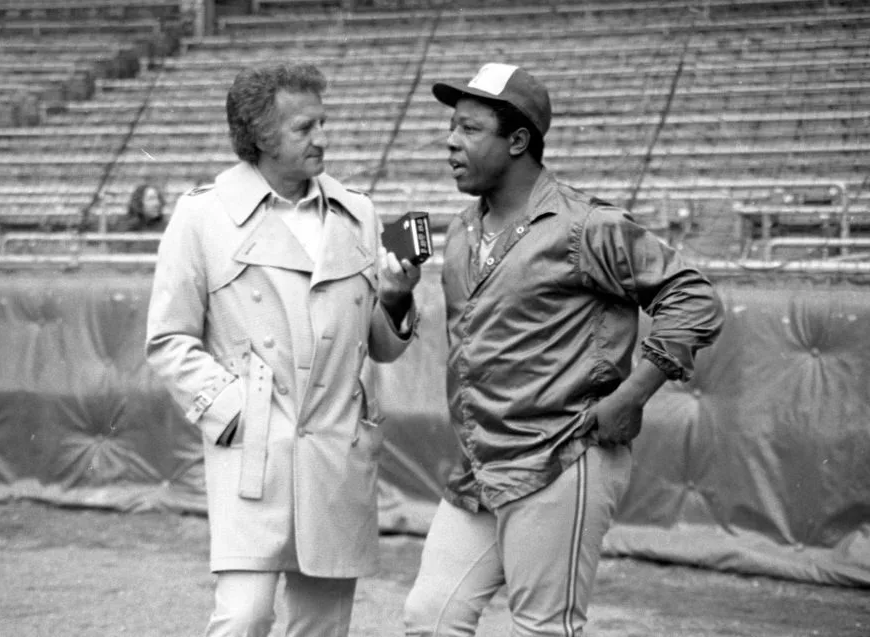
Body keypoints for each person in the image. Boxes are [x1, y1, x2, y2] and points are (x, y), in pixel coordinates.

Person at [402, 63, 725, 636]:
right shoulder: (459, 231)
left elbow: (693, 296)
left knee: (542, 628)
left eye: (471, 129)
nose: (450, 140)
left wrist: (632, 394)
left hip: (561, 453)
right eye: (452, 126)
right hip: (481, 462)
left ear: (518, 140)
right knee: (432, 615)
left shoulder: (585, 225)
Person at [145, 63, 422, 637]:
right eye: (304, 127)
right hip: (254, 453)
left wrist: (395, 300)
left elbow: (378, 346)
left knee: (321, 626)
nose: (323, 137)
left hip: (335, 449)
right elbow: (169, 339)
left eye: (323, 122)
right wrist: (238, 413)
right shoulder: (202, 216)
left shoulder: (359, 213)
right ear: (260, 135)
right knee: (243, 617)